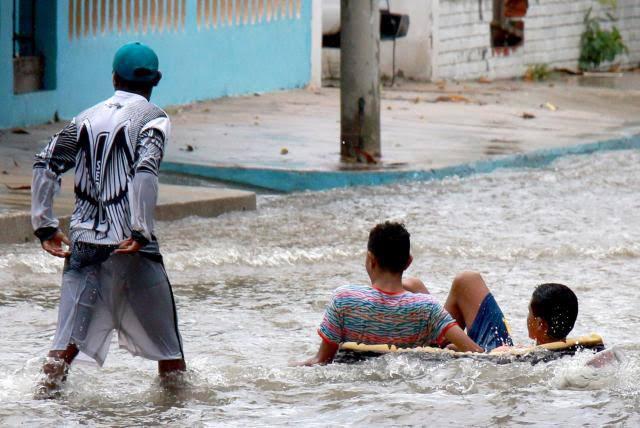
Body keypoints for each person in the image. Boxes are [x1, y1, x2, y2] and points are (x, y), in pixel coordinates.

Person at [31, 42, 185, 396]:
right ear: (156, 80)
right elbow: (146, 170)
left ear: (114, 77)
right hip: (131, 245)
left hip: (84, 243)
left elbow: (45, 162)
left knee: (64, 344)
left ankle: (39, 409)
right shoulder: (153, 118)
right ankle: (176, 414)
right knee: (170, 352)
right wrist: (141, 230)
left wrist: (45, 226)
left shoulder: (85, 117)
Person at [300, 222, 483, 366]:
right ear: (408, 262)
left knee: (414, 284)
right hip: (415, 363)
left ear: (370, 260)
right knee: (416, 285)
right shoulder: (428, 307)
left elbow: (322, 361)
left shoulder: (343, 299)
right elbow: (475, 352)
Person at [416, 271, 578, 351]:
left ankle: (432, 342)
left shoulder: (508, 352)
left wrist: (458, 348)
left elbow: (484, 357)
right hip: (501, 356)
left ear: (541, 324)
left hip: (490, 357)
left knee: (467, 280)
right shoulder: (575, 351)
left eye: (530, 313)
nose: (527, 317)